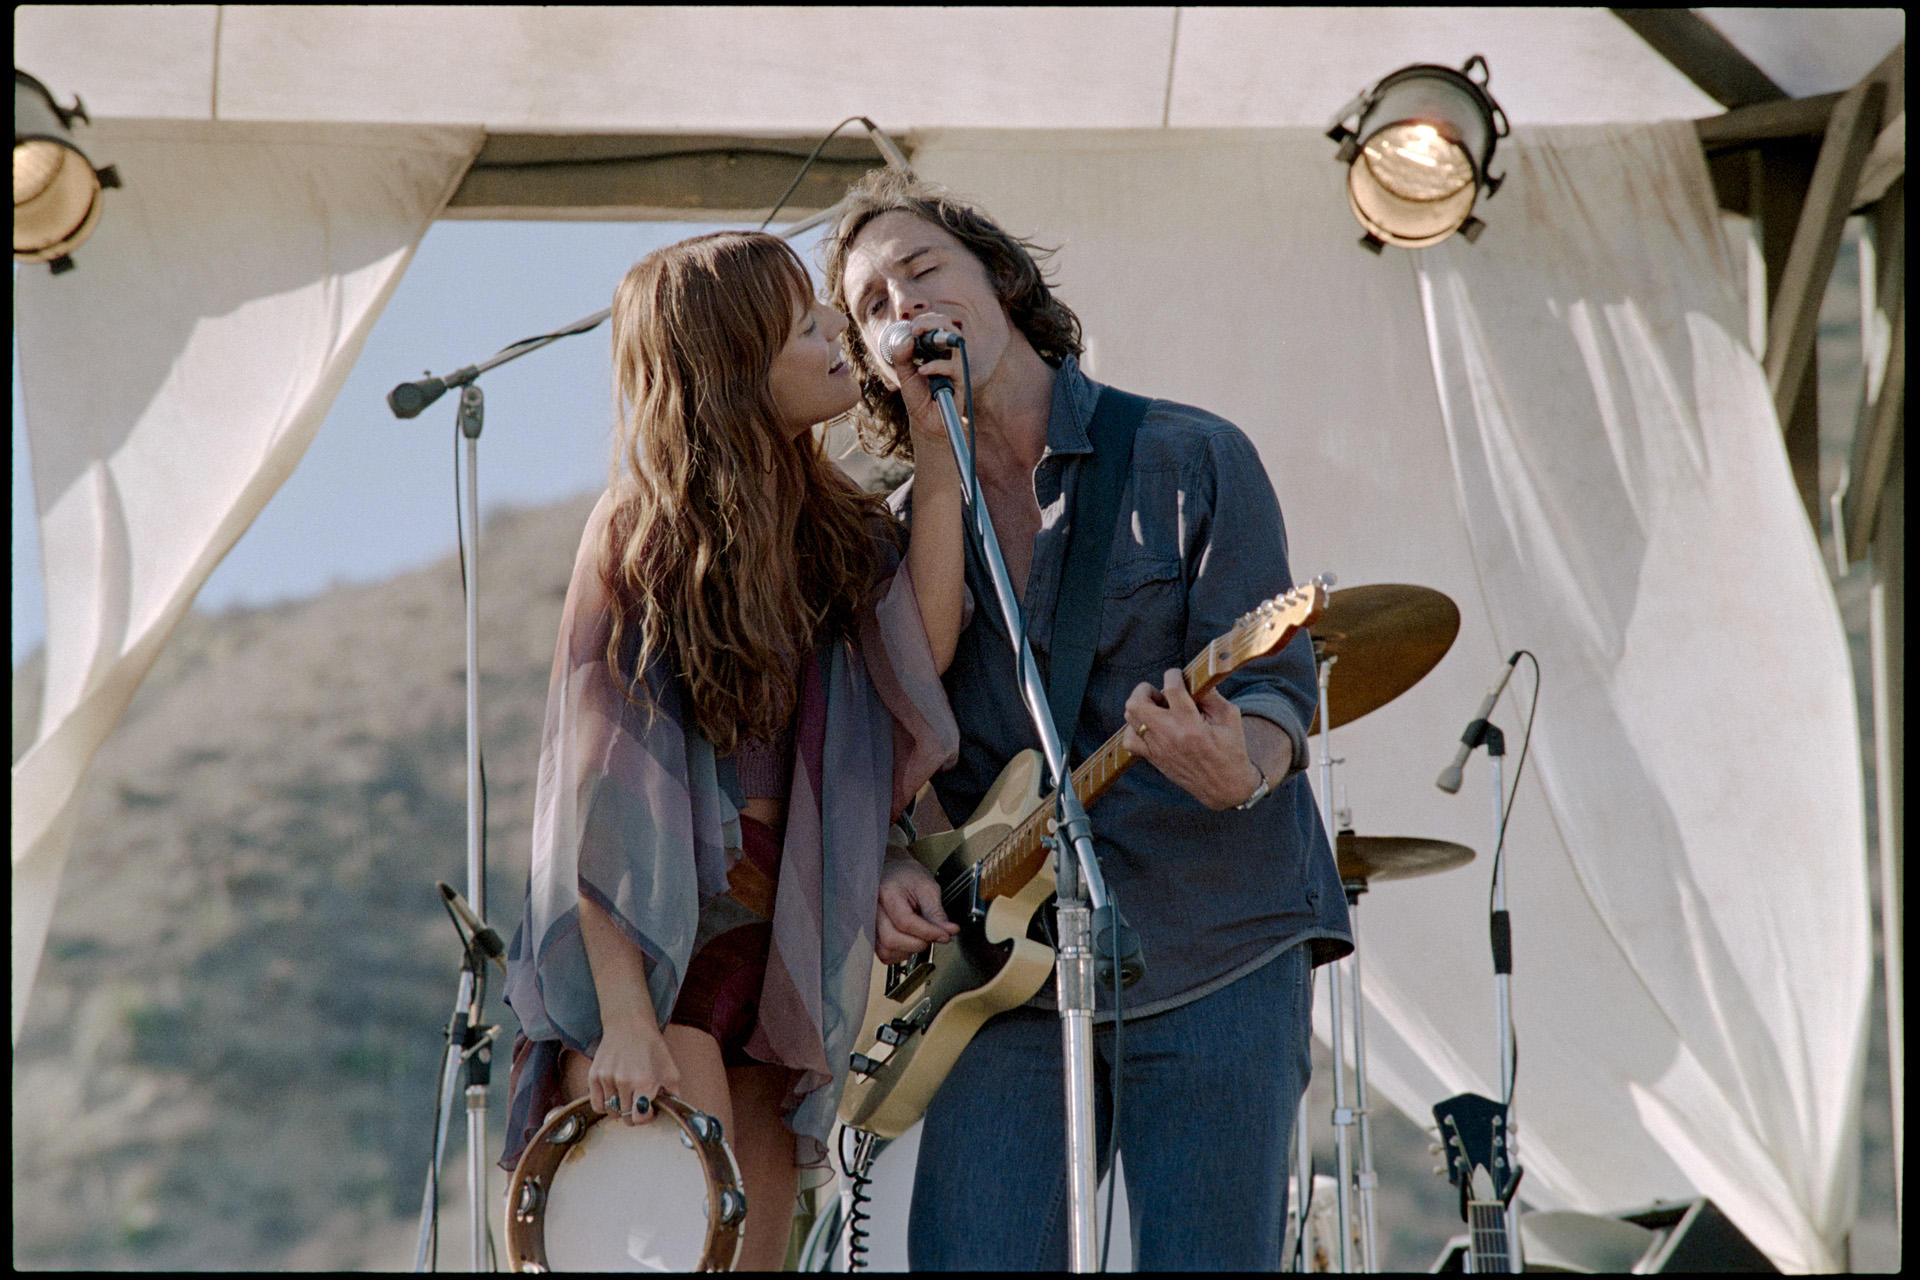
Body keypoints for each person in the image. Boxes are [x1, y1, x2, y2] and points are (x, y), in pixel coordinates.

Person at [823, 170, 1355, 1270]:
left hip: (1213, 943)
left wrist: (1240, 763)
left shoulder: (1190, 455)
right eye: (871, 306)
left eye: (923, 270)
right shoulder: (885, 538)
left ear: (1002, 281)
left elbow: (1275, 689)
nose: (902, 307)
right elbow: (876, 730)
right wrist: (878, 852)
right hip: (1001, 977)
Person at [498, 231, 970, 1270]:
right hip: (663, 951)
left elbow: (915, 657)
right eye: (806, 325)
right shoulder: (637, 530)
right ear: (732, 374)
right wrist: (625, 1017)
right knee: (693, 1228)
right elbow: (597, 789)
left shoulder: (836, 526)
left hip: (783, 947)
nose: (837, 334)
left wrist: (937, 454)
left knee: (755, 1248)